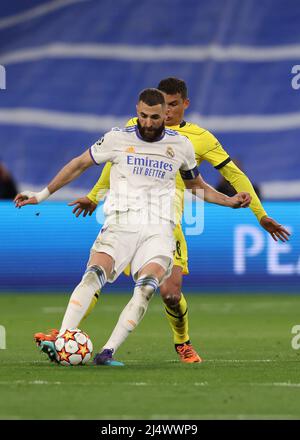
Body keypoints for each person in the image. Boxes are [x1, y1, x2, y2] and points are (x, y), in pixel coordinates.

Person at [14, 88, 251, 366]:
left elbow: (196, 186)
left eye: (154, 117)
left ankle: (107, 352)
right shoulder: (117, 138)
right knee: (93, 275)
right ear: (136, 111)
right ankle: (65, 337)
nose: (148, 123)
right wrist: (41, 195)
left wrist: (230, 201)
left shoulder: (182, 146)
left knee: (147, 288)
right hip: (120, 222)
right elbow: (79, 164)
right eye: (142, 116)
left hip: (159, 229)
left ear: (166, 115)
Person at [70, 77, 290, 364]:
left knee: (170, 294)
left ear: (184, 104)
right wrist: (94, 196)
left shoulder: (198, 139)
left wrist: (260, 215)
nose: (168, 111)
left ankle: (182, 342)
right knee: (97, 274)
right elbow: (111, 167)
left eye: (174, 105)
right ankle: (66, 333)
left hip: (166, 223)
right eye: (164, 105)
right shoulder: (137, 127)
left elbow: (234, 175)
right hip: (128, 216)